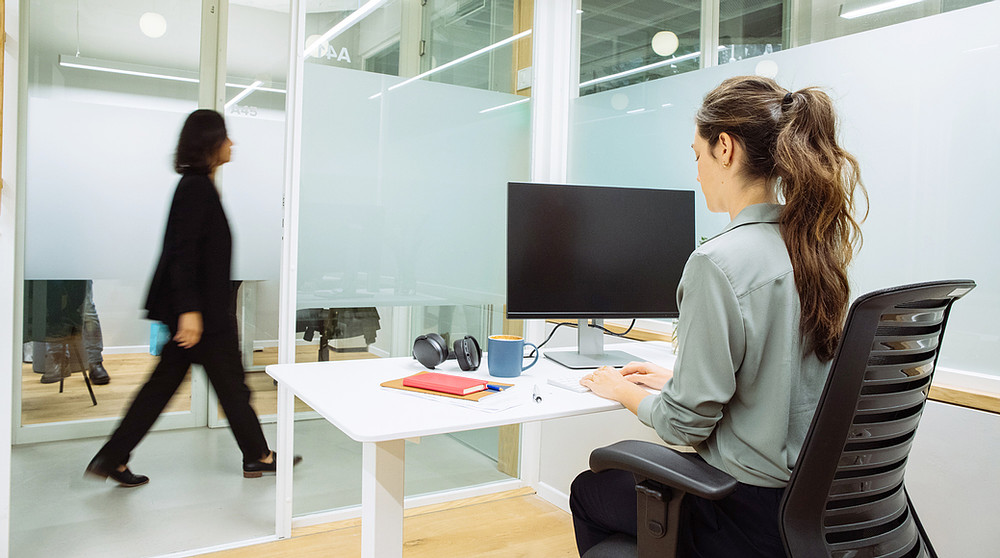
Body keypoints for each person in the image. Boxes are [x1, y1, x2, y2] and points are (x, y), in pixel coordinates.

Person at [569, 76, 866, 557]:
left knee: (589, 490)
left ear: (724, 148)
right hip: (811, 515)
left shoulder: (718, 261)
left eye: (698, 156)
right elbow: (789, 379)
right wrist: (677, 379)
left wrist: (618, 388)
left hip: (742, 513)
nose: (699, 172)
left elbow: (684, 428)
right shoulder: (815, 248)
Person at [86, 109, 293, 487]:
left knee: (187, 387)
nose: (232, 143)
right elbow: (182, 254)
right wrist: (190, 312)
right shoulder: (195, 188)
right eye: (226, 136)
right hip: (202, 317)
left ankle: (113, 457)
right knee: (227, 387)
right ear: (210, 143)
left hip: (204, 312)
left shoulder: (200, 185)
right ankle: (258, 456)